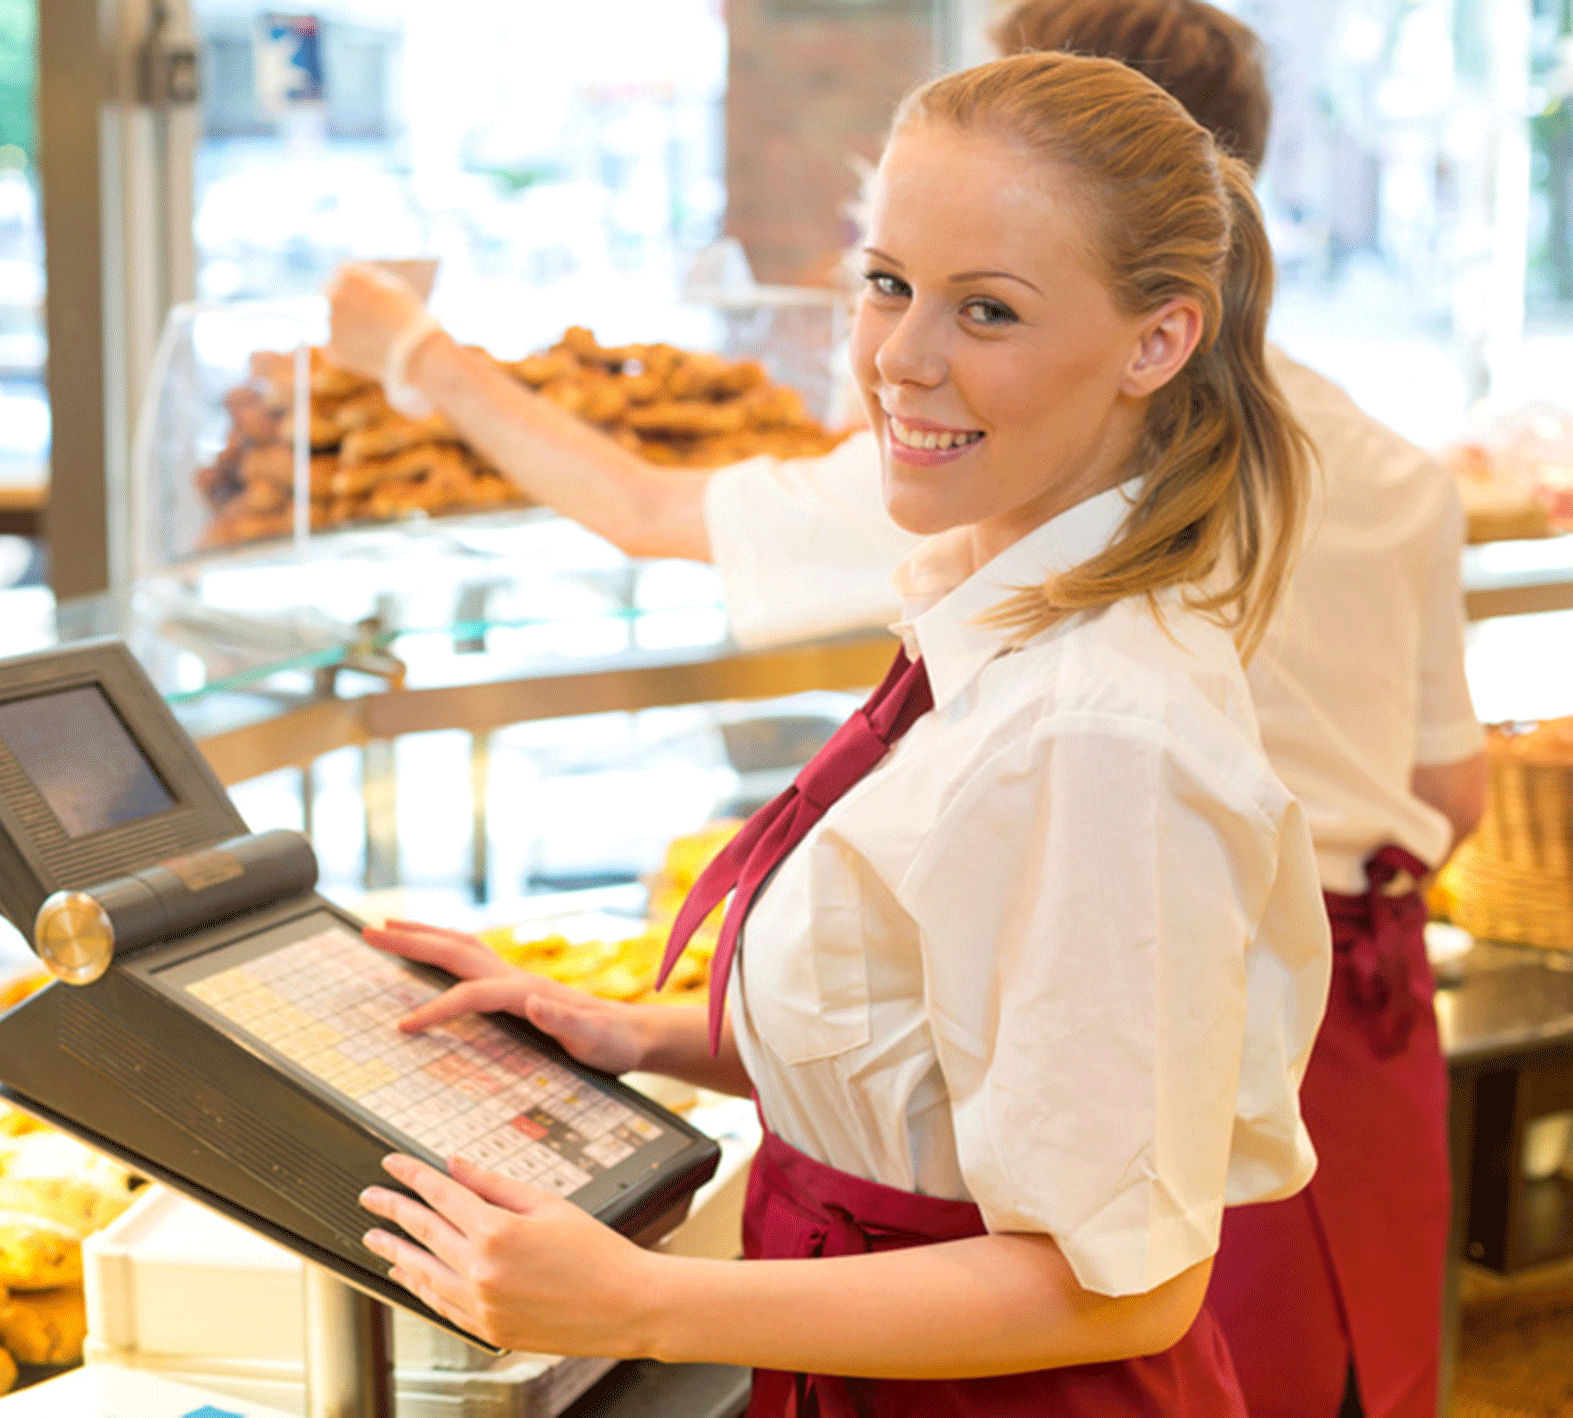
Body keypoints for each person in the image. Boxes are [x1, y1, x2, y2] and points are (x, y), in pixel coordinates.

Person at [327, 5, 1488, 1414]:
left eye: (986, 307)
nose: (898, 358)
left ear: (1156, 340)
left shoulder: (1097, 729)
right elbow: (945, 1029)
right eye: (886, 282)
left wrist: (635, 1299)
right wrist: (640, 1030)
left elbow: (1119, 1279)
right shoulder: (998, 610)